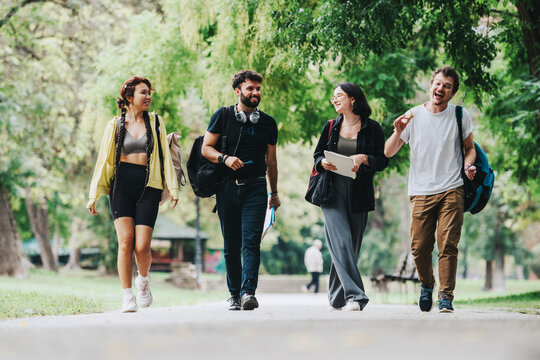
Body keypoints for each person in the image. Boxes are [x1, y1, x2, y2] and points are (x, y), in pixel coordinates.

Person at [384, 66, 477, 313]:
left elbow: (469, 148)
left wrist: (468, 165)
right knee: (419, 247)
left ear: (452, 92)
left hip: (452, 188)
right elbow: (388, 152)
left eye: (447, 86)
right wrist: (397, 131)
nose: (441, 88)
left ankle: (445, 296)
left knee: (448, 245)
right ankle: (427, 283)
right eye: (438, 83)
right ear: (431, 85)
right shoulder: (413, 116)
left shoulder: (460, 115)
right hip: (421, 190)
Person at [87, 76, 179, 313]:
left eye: (149, 92)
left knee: (142, 246)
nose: (148, 96)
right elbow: (103, 161)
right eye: (143, 92)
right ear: (129, 97)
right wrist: (94, 194)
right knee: (125, 242)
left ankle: (144, 281)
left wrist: (173, 187)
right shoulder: (115, 125)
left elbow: (165, 158)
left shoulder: (156, 122)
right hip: (122, 187)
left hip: (150, 187)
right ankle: (127, 296)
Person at [201, 70, 280, 311]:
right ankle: (234, 294)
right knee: (231, 245)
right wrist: (224, 158)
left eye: (258, 89)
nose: (255, 93)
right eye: (250, 89)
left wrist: (274, 193)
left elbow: (272, 161)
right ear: (238, 92)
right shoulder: (222, 116)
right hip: (226, 188)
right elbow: (206, 148)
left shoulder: (267, 123)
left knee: (251, 242)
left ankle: (248, 293)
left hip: (256, 187)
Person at [312, 82, 388, 311]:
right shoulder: (330, 126)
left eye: (338, 96)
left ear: (353, 99)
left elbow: (382, 161)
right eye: (333, 97)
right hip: (331, 191)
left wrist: (364, 158)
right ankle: (356, 296)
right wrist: (322, 162)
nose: (334, 100)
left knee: (350, 247)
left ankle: (337, 296)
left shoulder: (372, 128)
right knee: (341, 240)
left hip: (359, 193)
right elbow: (317, 155)